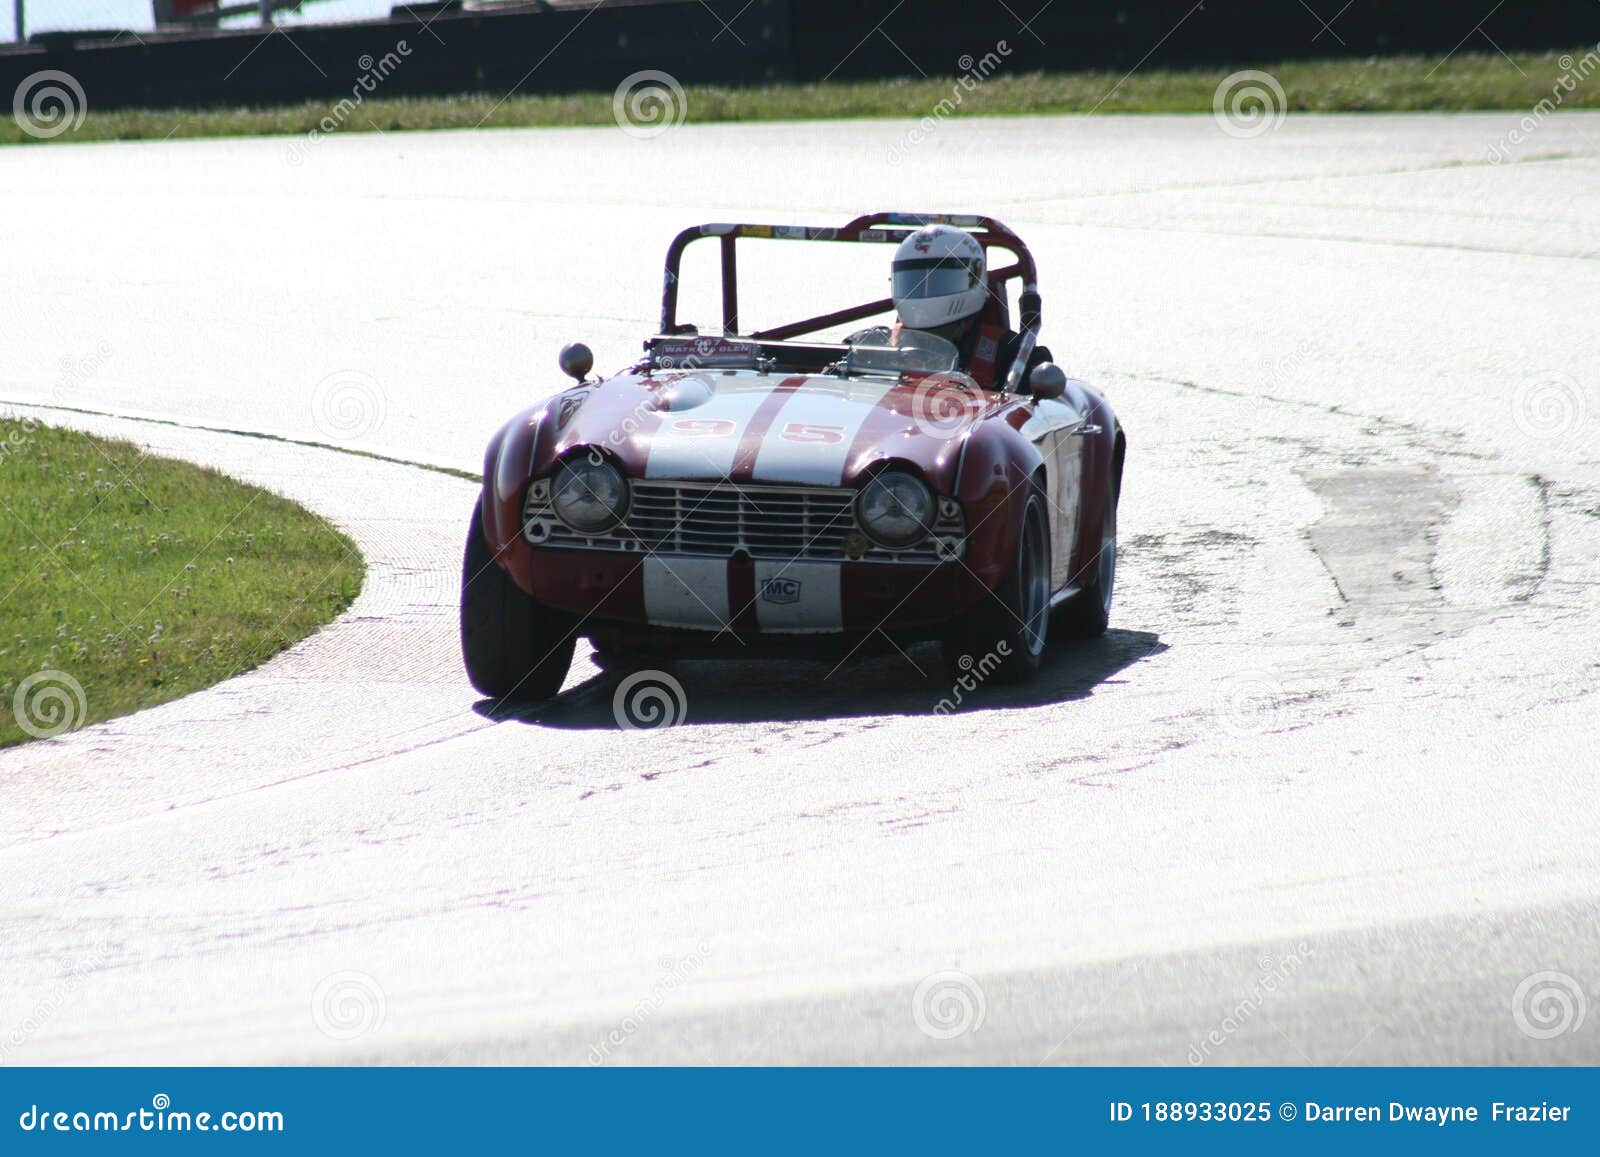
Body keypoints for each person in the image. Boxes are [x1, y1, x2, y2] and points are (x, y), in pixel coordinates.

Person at [848, 224, 1050, 389]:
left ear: (973, 279)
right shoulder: (872, 347)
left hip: (966, 435)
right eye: (915, 281)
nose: (925, 291)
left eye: (937, 281)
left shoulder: (1011, 353)